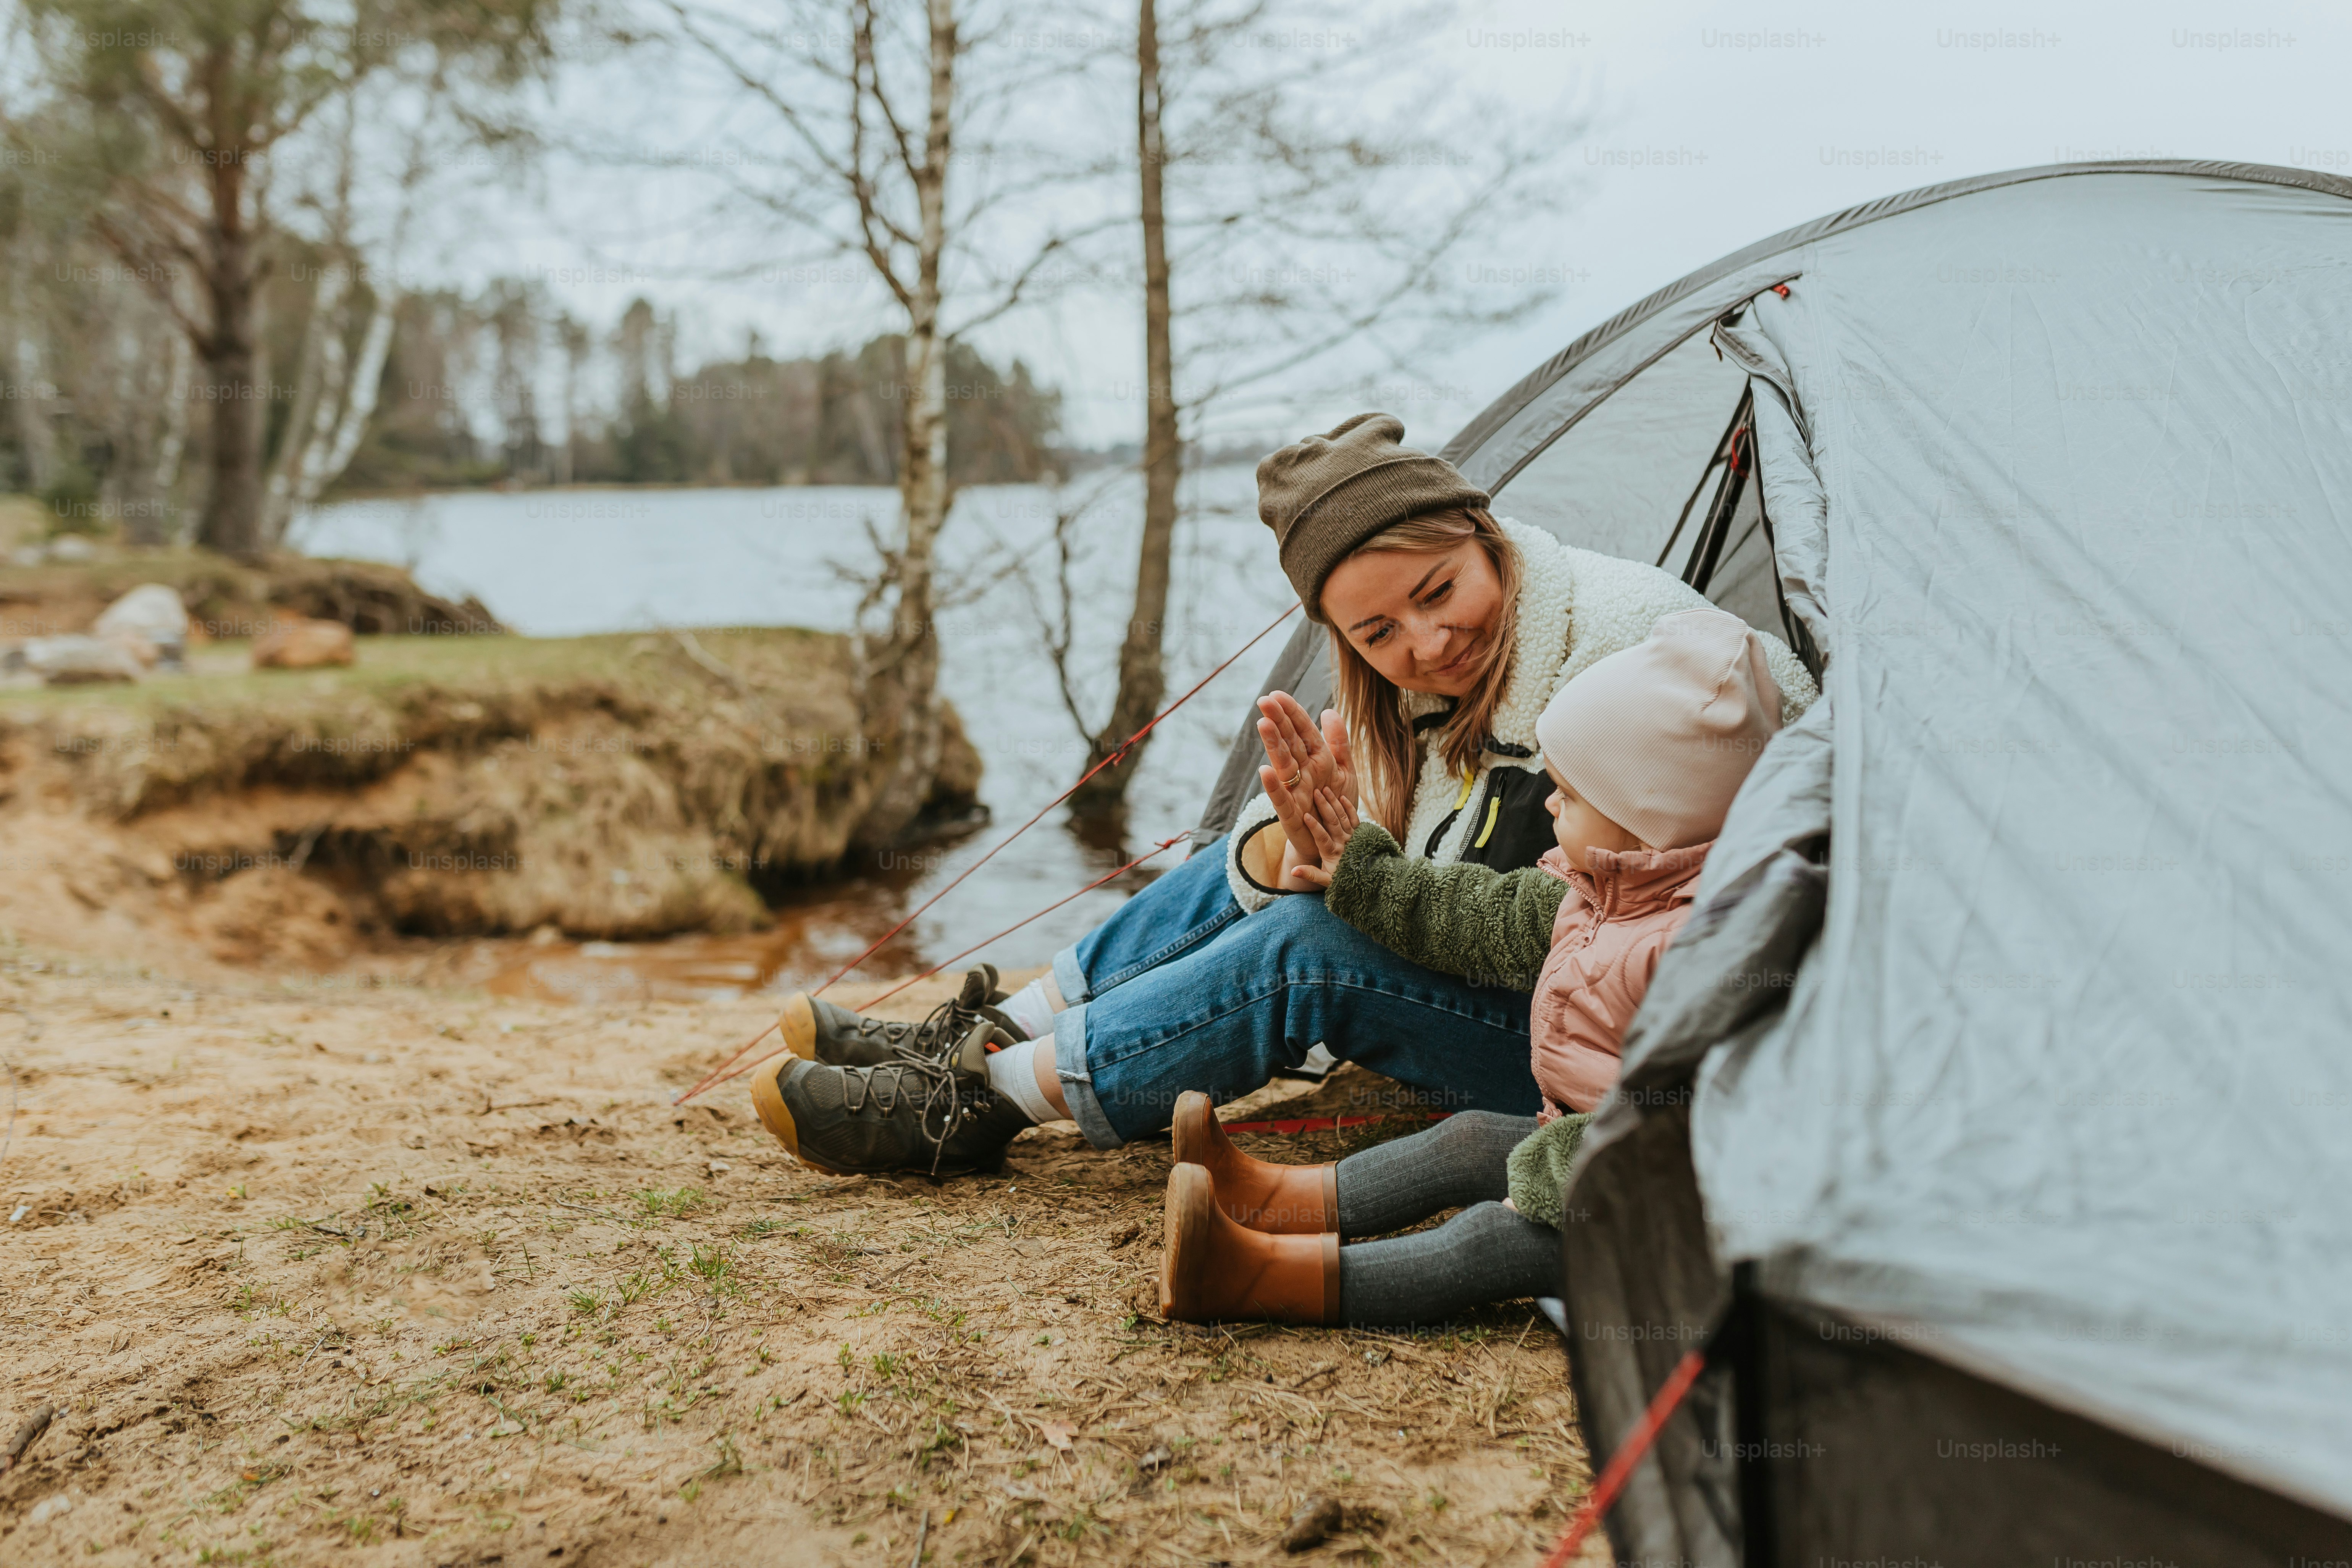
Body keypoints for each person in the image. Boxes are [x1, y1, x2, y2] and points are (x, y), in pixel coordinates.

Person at [750, 414, 1816, 1179]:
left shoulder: (1627, 643)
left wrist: (1357, 891)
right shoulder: (1420, 697)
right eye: (1378, 633)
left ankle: (984, 1102)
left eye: (1439, 591)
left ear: (1484, 532)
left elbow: (1641, 914)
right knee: (1248, 860)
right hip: (1531, 984)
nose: (1428, 644)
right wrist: (1290, 856)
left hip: (1634, 1052)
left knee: (1312, 945)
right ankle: (996, 1025)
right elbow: (1403, 871)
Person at [1157, 608, 1783, 1324]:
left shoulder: (1708, 953)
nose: (1549, 801)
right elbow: (1478, 913)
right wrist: (1362, 869)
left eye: (1571, 796)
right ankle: (1264, 1200)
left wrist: (1551, 1183)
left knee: (1493, 1240)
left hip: (1683, 1223)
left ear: (1650, 820)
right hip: (1597, 1156)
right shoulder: (1602, 892)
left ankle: (1250, 1278)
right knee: (1471, 1139)